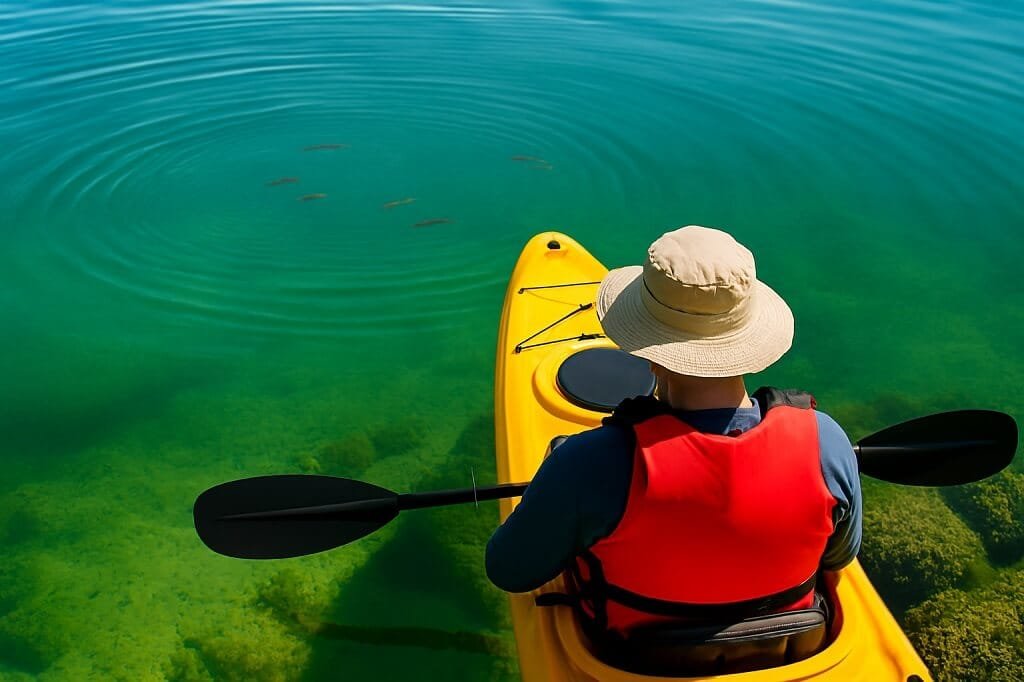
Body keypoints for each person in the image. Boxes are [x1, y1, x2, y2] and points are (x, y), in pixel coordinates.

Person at [485, 225, 862, 637]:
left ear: (648, 353)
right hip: (786, 646)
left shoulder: (585, 463)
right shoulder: (826, 443)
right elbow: (838, 557)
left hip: (631, 654)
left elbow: (509, 571)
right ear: (748, 341)